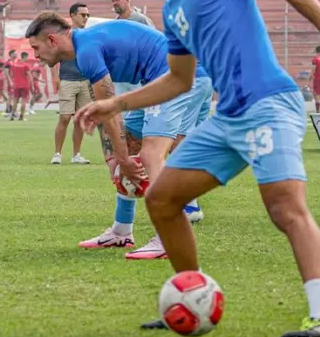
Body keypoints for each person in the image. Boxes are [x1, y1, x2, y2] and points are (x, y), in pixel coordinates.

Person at [76, 0, 320, 337]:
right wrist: (115, 104)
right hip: (228, 117)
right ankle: (191, 296)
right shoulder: (172, 8)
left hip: (269, 103)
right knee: (164, 199)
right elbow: (178, 79)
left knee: (285, 208)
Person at [27, 13, 201, 260]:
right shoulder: (84, 47)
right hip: (158, 78)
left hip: (175, 75)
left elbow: (108, 109)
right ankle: (121, 231)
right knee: (129, 147)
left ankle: (170, 237)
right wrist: (116, 159)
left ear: (52, 40)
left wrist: (124, 160)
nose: (35, 55)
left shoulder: (86, 50)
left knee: (151, 154)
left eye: (36, 47)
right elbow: (103, 109)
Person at [52, 3, 92, 165]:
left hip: (85, 81)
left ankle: (76, 155)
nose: (86, 18)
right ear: (73, 15)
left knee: (80, 119)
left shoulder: (89, 34)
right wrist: (56, 78)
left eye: (87, 15)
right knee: (64, 117)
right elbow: (54, 57)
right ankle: (57, 154)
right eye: (83, 15)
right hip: (67, 79)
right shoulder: (63, 35)